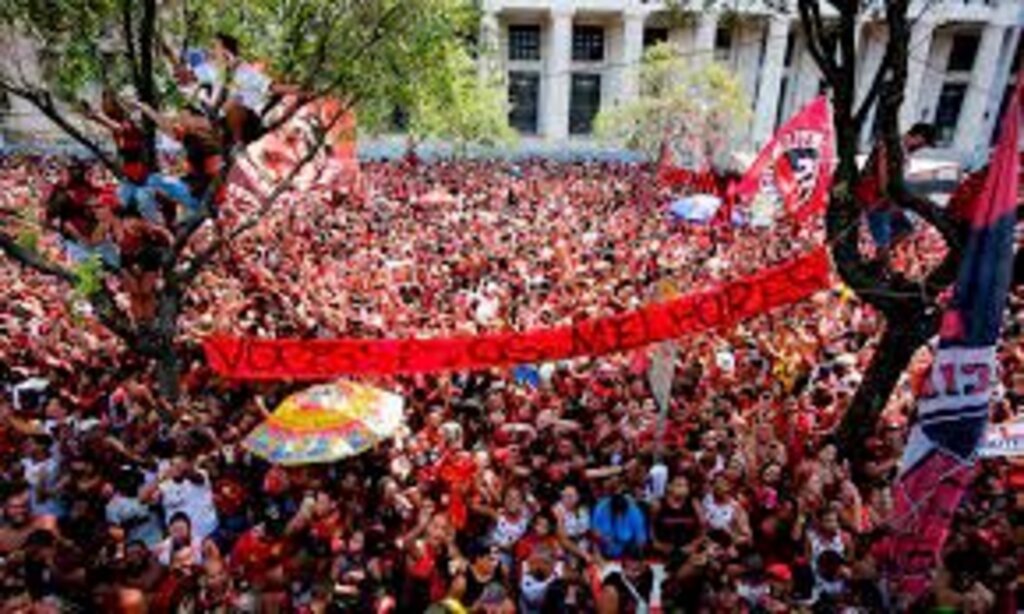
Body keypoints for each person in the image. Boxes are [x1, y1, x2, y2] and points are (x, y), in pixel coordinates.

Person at [853, 122, 936, 260]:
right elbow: (882, 174)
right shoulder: (891, 146)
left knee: (904, 228)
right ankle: (877, 264)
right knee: (883, 238)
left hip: (887, 199)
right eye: (923, 144)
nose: (921, 148)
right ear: (918, 136)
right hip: (876, 197)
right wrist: (886, 194)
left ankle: (875, 260)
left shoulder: (903, 150)